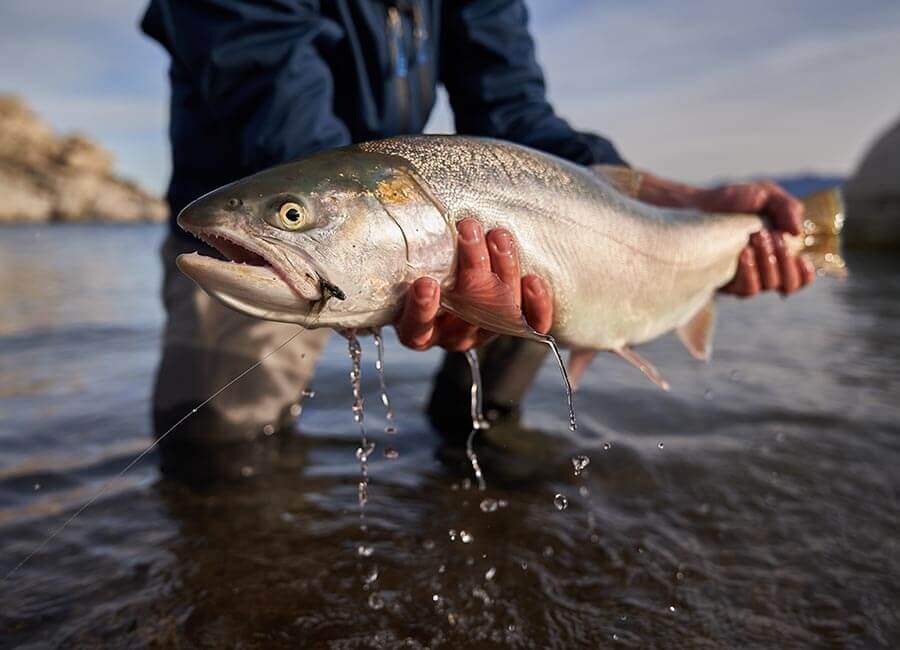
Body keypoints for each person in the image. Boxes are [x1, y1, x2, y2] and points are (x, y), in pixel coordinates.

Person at [141, 0, 813, 480]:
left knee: (520, 271)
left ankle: (479, 454)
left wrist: (687, 203)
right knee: (215, 453)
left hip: (371, 209)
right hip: (254, 215)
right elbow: (273, 91)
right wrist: (299, 222)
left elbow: (516, 114)